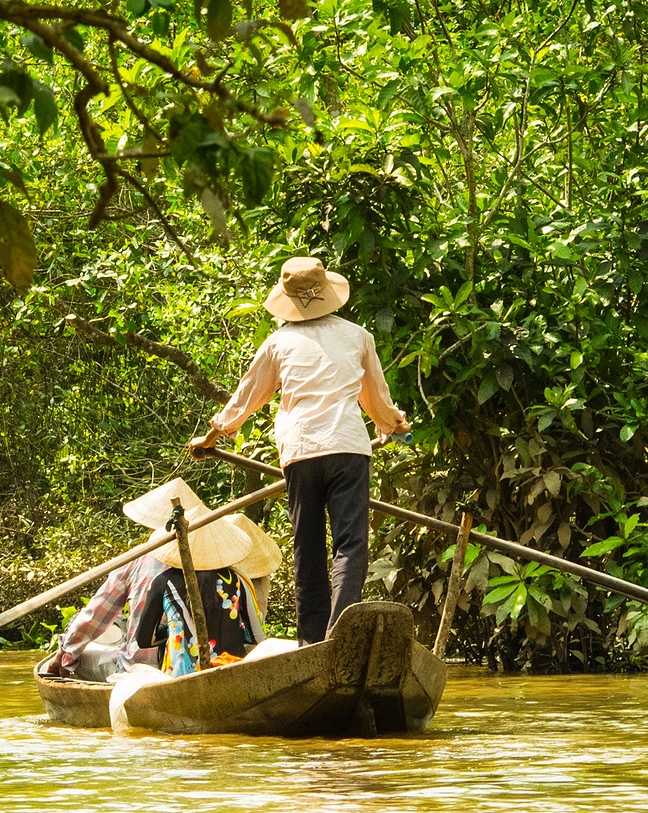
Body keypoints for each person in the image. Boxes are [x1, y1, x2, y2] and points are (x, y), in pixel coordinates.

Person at [188, 257, 410, 644]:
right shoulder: (358, 337)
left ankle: (312, 641)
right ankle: (341, 634)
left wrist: (214, 435)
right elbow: (375, 398)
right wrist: (393, 425)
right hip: (347, 449)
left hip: (301, 451)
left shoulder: (279, 343)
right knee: (350, 544)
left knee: (307, 546)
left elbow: (248, 395)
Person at [50, 478, 207, 680]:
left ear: (153, 527)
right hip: (201, 664)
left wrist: (65, 653)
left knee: (79, 658)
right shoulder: (215, 562)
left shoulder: (138, 560)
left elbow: (97, 614)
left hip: (141, 669)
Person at [129, 508, 264, 675]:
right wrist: (232, 628)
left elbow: (144, 639)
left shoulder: (163, 581)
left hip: (180, 677)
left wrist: (174, 627)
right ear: (220, 545)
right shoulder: (239, 579)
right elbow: (257, 636)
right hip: (232, 672)